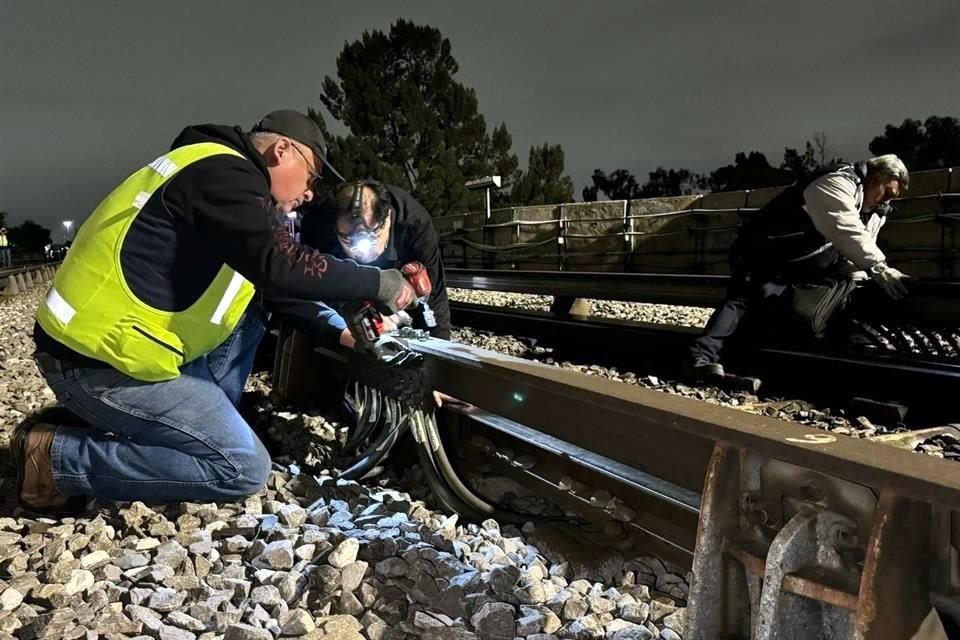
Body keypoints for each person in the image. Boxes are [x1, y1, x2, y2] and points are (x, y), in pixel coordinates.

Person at [14, 110, 419, 514]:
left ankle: (169, 431)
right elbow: (281, 265)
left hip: (121, 348)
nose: (310, 193)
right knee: (242, 468)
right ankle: (56, 459)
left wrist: (342, 327)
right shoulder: (227, 172)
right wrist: (378, 283)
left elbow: (273, 288)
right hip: (96, 362)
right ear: (282, 150)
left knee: (251, 315)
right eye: (311, 177)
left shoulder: (215, 180)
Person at [686, 154, 910, 380]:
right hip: (763, 250)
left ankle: (752, 360)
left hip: (799, 262)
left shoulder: (873, 211)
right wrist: (880, 269)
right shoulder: (836, 181)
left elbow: (856, 254)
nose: (887, 202)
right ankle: (699, 358)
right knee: (744, 298)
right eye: (887, 193)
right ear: (875, 177)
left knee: (802, 304)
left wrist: (864, 286)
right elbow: (845, 230)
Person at [288, 179, 451, 346]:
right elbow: (314, 284)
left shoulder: (414, 224)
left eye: (373, 237)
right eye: (348, 240)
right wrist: (351, 310)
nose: (362, 253)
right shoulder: (317, 225)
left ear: (388, 218)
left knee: (421, 287)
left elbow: (435, 295)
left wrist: (439, 347)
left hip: (396, 265)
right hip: (343, 269)